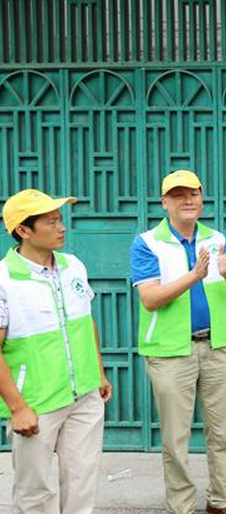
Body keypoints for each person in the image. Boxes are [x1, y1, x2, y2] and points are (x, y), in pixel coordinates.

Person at [130, 170, 226, 514]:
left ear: (201, 198)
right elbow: (150, 299)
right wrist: (193, 276)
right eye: (178, 195)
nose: (188, 200)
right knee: (176, 439)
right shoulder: (147, 242)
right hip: (170, 353)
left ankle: (221, 500)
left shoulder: (216, 238)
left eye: (193, 193)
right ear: (165, 202)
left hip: (218, 347)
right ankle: (182, 507)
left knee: (224, 432)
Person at [0, 189, 113, 513]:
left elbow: (85, 321)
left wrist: (99, 373)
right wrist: (17, 407)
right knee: (35, 492)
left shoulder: (73, 265)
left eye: (60, 219)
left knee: (82, 484)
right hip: (36, 402)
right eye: (51, 221)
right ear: (23, 230)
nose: (61, 227)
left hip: (85, 396)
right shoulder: (5, 279)